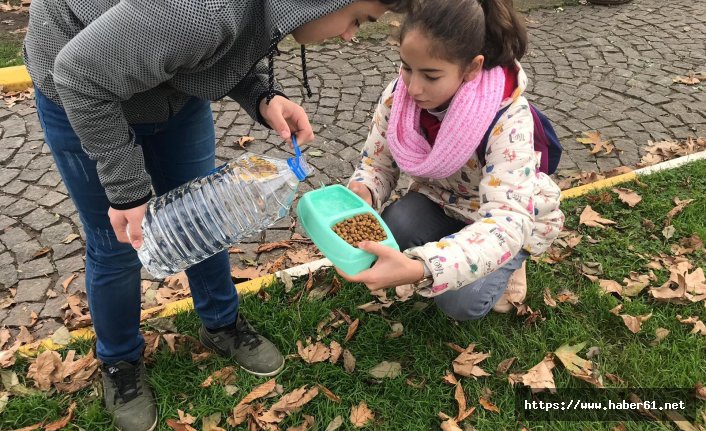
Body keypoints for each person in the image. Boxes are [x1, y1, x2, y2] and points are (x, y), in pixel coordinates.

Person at [23, 0, 411, 429]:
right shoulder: (202, 9)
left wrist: (263, 95)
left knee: (203, 219)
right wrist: (126, 189)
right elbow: (81, 74)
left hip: (169, 90)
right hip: (83, 91)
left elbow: (225, 45)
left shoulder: (238, 14)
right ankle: (120, 361)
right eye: (357, 19)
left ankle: (222, 324)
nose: (351, 34)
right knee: (116, 241)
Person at [341, 0, 564, 321]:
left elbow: (506, 221)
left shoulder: (507, 118)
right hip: (444, 199)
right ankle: (453, 247)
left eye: (431, 76)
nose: (413, 88)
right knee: (394, 229)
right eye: (406, 67)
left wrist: (422, 268)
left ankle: (515, 260)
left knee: (460, 303)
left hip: (506, 218)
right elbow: (377, 164)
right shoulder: (398, 97)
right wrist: (364, 191)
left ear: (472, 68)